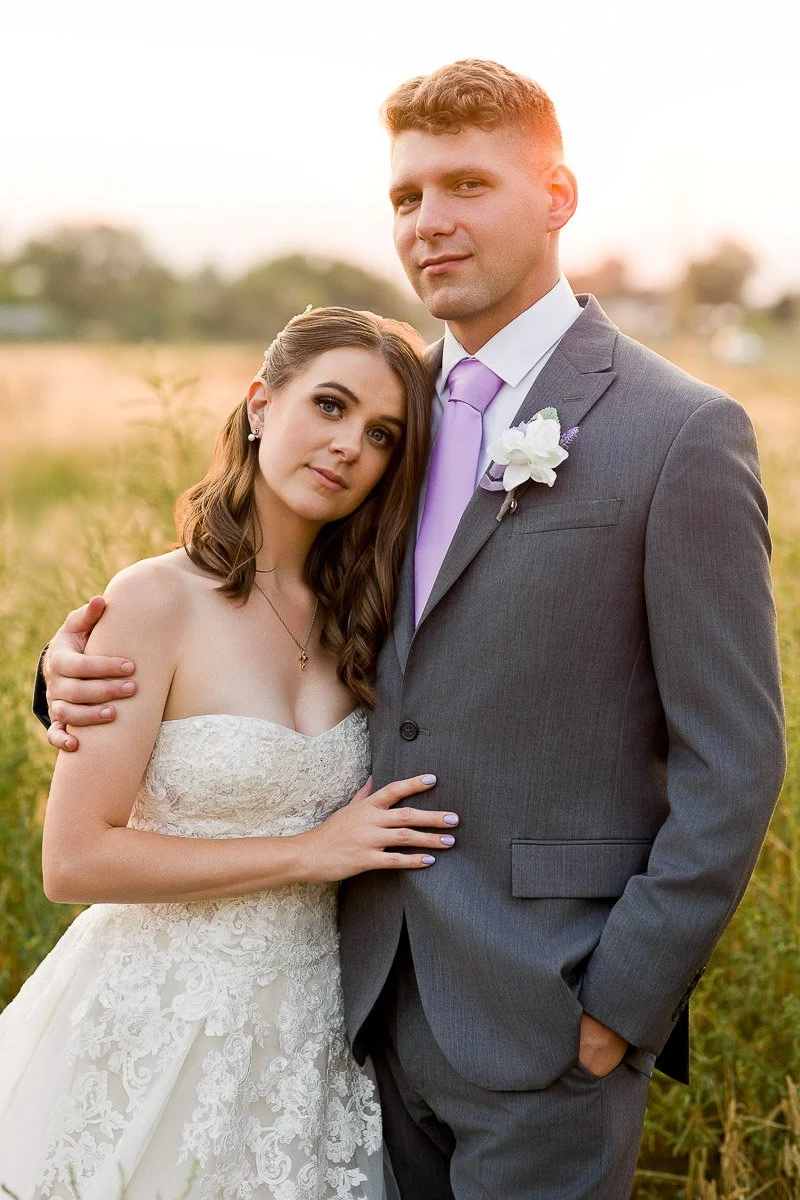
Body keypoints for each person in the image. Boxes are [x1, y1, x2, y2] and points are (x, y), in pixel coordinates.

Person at [34, 61, 786, 1200]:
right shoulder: (388, 416)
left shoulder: (675, 434)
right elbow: (250, 603)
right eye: (404, 196)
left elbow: (735, 759)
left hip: (544, 1019)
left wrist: (616, 1009)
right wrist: (73, 673)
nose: (428, 222)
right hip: (349, 1017)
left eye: (467, 185)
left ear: (557, 195)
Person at [0, 306, 462, 1199]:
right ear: (259, 404)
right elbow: (74, 857)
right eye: (327, 406)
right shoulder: (152, 599)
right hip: (151, 1021)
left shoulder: (367, 616)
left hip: (309, 1039)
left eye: (380, 434)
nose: (347, 448)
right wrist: (308, 853)